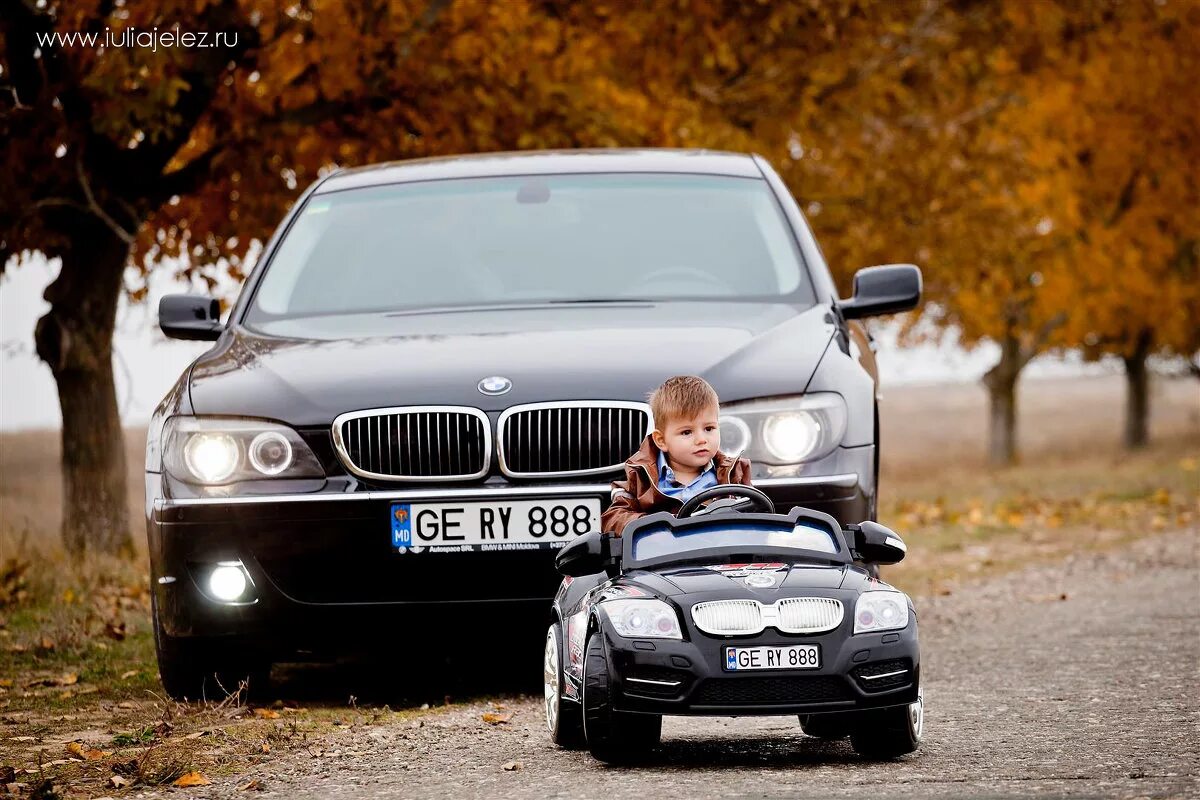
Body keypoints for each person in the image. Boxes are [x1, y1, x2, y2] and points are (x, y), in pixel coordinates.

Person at [601, 375, 753, 536]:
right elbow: (613, 519)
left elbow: (757, 517)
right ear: (661, 440)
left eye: (709, 428)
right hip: (662, 557)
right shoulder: (640, 477)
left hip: (720, 553)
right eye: (687, 432)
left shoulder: (734, 474)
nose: (701, 439)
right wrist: (653, 526)